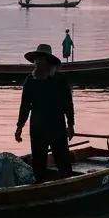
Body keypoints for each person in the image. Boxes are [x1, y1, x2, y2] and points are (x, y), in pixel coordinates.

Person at [15, 43, 75, 183]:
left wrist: (71, 125)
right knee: (38, 165)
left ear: (48, 62)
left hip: (57, 127)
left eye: (41, 60)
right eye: (36, 60)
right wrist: (19, 127)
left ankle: (69, 185)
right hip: (37, 129)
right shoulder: (30, 81)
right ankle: (41, 187)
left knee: (63, 162)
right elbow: (25, 106)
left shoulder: (60, 80)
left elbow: (68, 104)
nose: (37, 62)